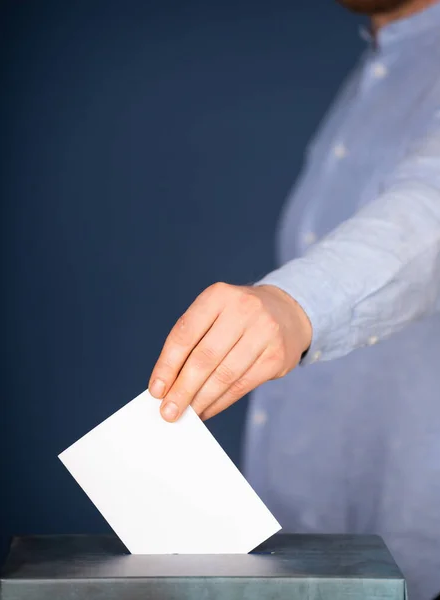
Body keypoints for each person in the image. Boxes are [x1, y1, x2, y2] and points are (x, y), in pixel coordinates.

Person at [149, 0, 440, 598]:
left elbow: (428, 210)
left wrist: (294, 304)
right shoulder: (374, 72)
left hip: (411, 543)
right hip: (307, 536)